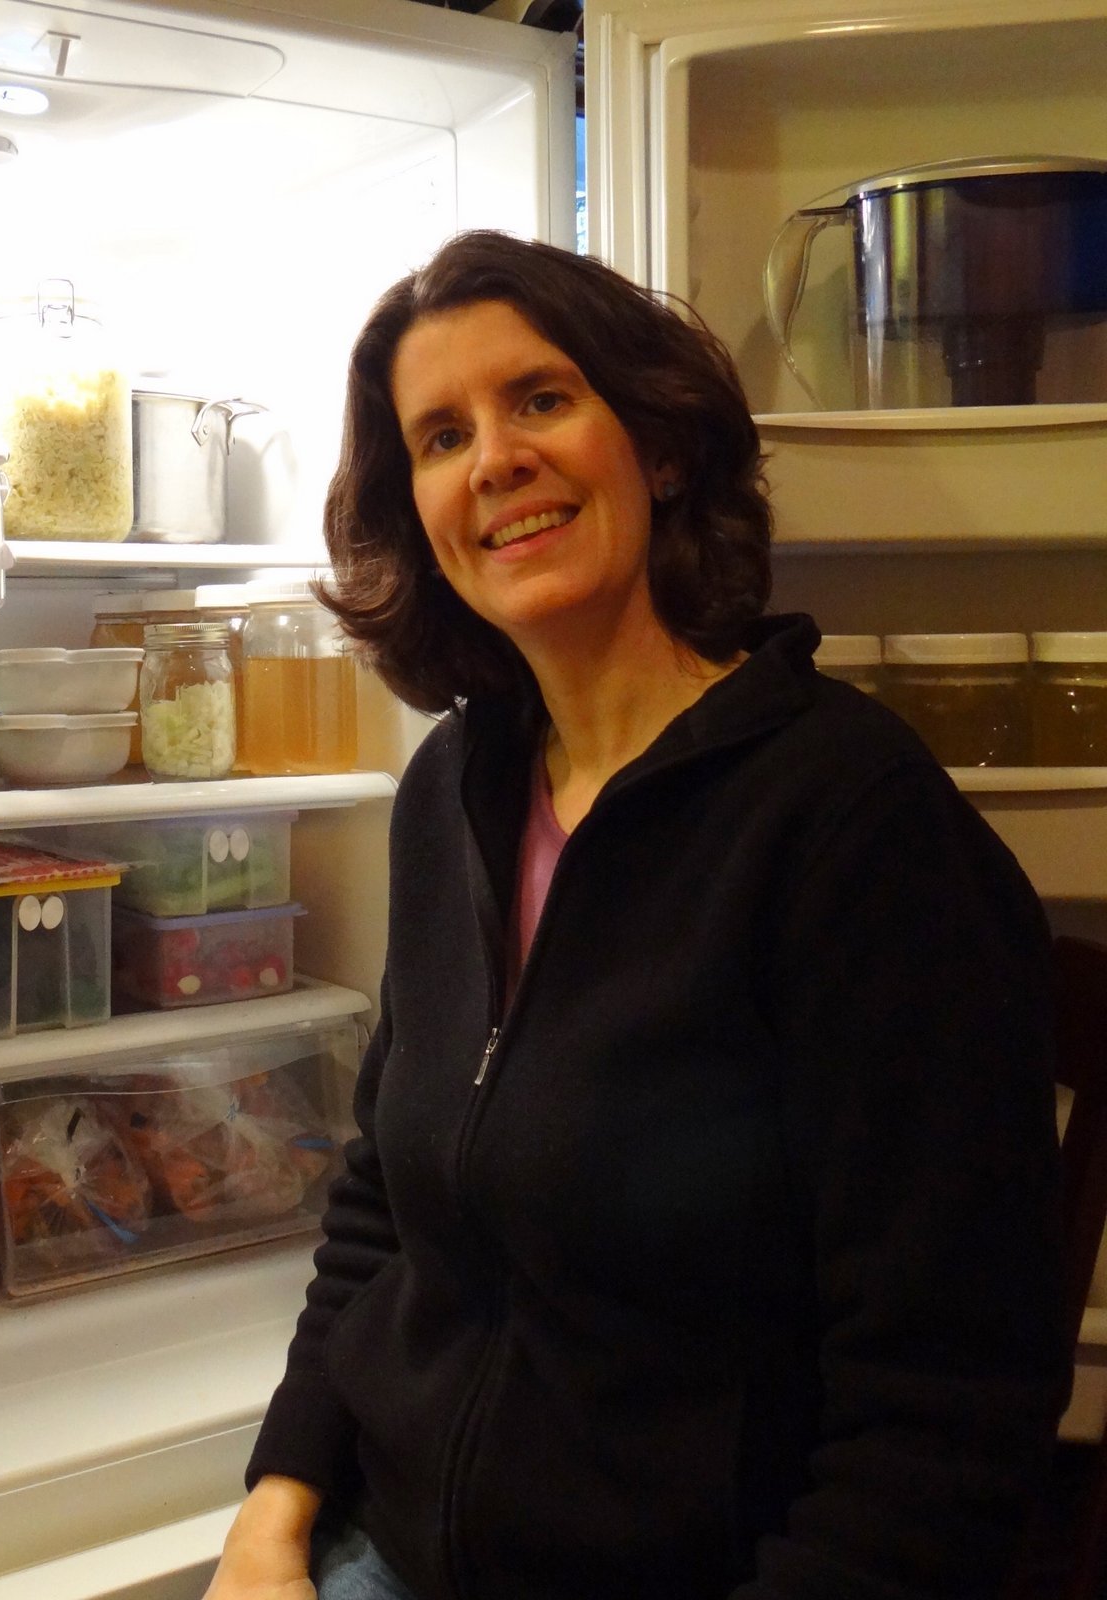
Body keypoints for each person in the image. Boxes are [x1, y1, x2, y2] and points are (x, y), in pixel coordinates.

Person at [203, 230, 1073, 1600]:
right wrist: (275, 1503)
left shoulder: (851, 822)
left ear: (659, 447)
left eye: (540, 400)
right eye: (440, 436)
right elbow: (386, 1205)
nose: (493, 459)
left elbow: (945, 1401)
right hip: (389, 1539)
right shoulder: (454, 791)